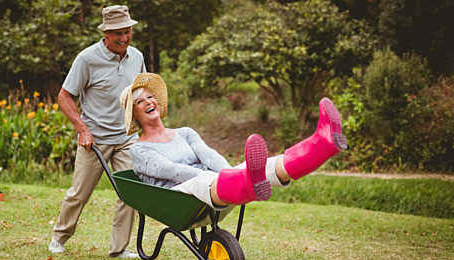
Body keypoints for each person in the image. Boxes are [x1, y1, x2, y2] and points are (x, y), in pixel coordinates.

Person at [119, 73, 347, 208]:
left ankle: (323, 143)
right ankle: (242, 181)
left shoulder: (185, 132)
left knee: (267, 164)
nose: (149, 102)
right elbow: (172, 171)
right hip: (179, 195)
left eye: (151, 97)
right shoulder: (139, 149)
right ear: (135, 115)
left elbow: (209, 155)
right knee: (211, 180)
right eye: (140, 102)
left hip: (214, 185)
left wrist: (230, 172)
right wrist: (222, 177)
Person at [49, 5, 146, 258]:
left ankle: (119, 248)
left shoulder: (136, 57)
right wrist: (82, 129)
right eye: (119, 34)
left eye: (128, 32)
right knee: (79, 193)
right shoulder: (87, 59)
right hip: (94, 139)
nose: (124, 38)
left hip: (126, 138)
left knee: (130, 192)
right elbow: (64, 96)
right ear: (106, 34)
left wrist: (146, 128)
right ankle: (59, 237)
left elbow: (142, 94)